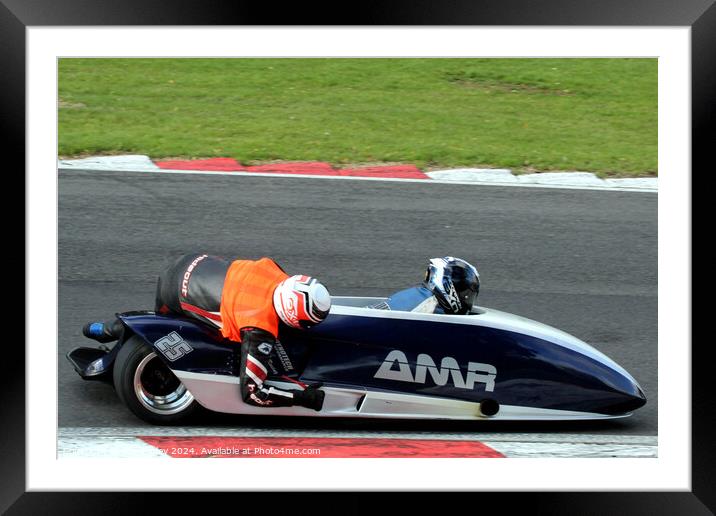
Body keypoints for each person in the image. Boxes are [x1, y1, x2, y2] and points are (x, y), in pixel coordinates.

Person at [82, 253, 331, 411]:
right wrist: (303, 398)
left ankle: (103, 329)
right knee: (211, 347)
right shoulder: (259, 329)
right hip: (177, 299)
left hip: (184, 264)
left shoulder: (271, 268)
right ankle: (119, 348)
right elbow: (253, 394)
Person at [372, 256, 480, 314]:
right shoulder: (428, 305)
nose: (467, 298)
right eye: (465, 293)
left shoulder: (420, 295)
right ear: (449, 286)